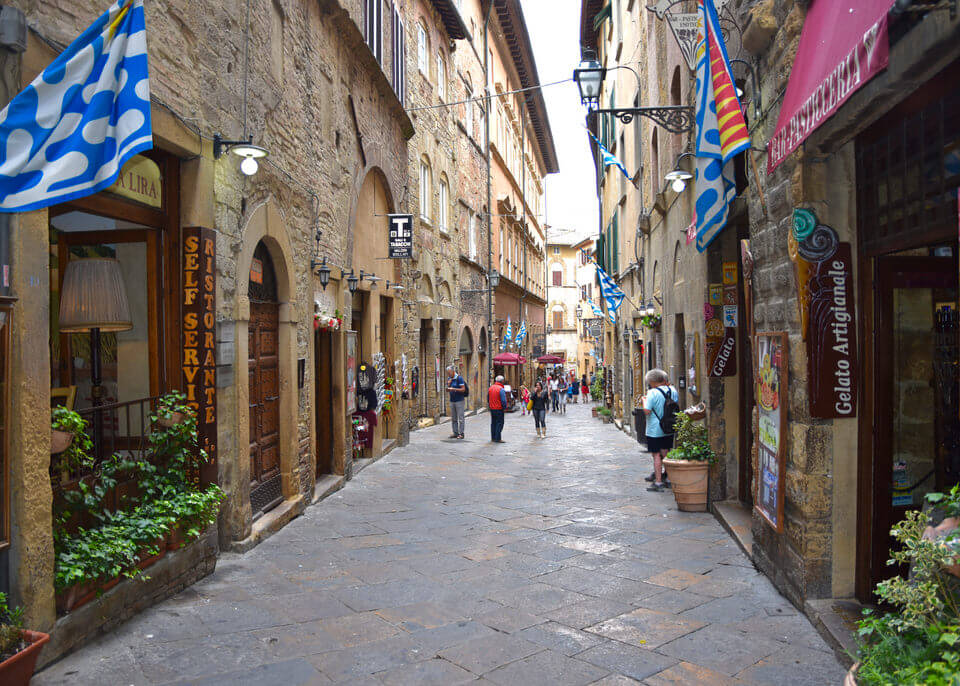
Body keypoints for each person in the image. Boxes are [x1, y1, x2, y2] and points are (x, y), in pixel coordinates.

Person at [642, 369, 678, 492]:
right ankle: (668, 478)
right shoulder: (673, 390)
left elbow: (647, 411)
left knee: (656, 454)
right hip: (669, 427)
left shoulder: (652, 393)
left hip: (654, 429)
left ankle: (658, 482)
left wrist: (643, 401)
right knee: (666, 452)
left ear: (652, 381)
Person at [445, 365, 466, 439]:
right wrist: (448, 385)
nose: (448, 374)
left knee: (460, 418)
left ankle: (461, 433)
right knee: (454, 418)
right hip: (452, 400)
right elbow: (447, 389)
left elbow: (463, 389)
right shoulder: (449, 378)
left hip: (459, 400)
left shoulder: (459, 378)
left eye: (449, 372)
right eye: (447, 373)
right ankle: (455, 432)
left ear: (453, 371)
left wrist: (454, 389)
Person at [487, 375, 508, 442]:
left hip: (492, 408)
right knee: (499, 423)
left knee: (493, 423)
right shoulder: (501, 389)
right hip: (499, 408)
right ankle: (498, 438)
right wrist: (504, 407)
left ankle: (493, 437)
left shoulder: (490, 388)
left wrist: (490, 405)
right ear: (502, 381)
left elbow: (488, 398)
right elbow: (503, 400)